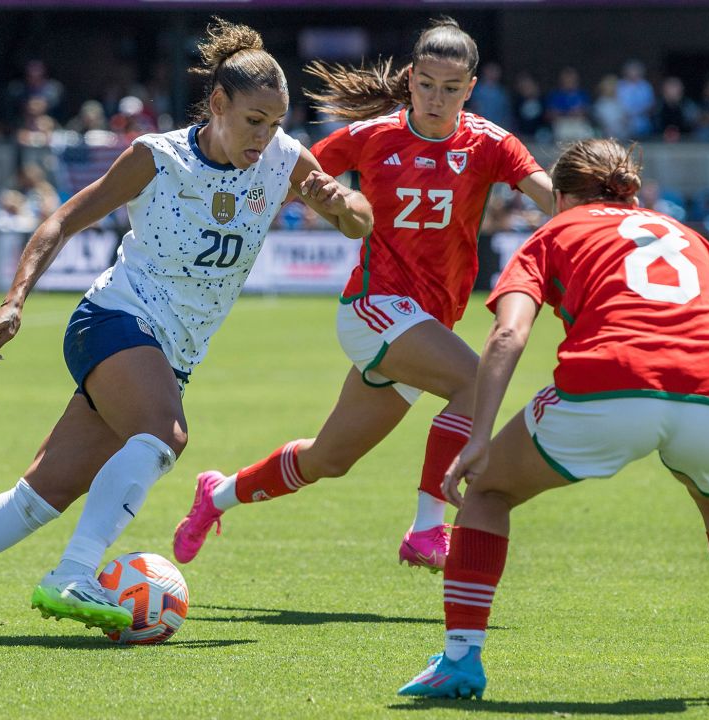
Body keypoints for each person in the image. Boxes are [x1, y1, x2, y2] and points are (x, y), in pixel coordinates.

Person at [0, 18, 373, 638]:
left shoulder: (285, 160)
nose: (265, 135)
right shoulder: (157, 157)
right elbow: (60, 222)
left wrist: (343, 204)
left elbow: (359, 221)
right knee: (166, 435)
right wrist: (13, 301)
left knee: (37, 499)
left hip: (168, 351)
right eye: (254, 120)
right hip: (115, 319)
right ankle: (74, 573)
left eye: (276, 122)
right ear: (218, 105)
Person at [398, 139, 709, 699]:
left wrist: (478, 438)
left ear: (559, 196)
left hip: (612, 382)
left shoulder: (551, 233)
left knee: (490, 491)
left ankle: (460, 661)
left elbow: (509, 332)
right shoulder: (690, 239)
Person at [172, 18, 553, 573]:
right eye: (426, 84)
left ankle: (217, 495)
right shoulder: (373, 137)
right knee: (475, 381)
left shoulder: (491, 143)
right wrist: (225, 208)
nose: (436, 98)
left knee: (328, 459)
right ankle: (427, 531)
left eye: (451, 88)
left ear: (471, 88)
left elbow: (551, 200)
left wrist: (601, 218)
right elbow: (291, 172)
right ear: (411, 77)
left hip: (424, 327)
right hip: (374, 307)